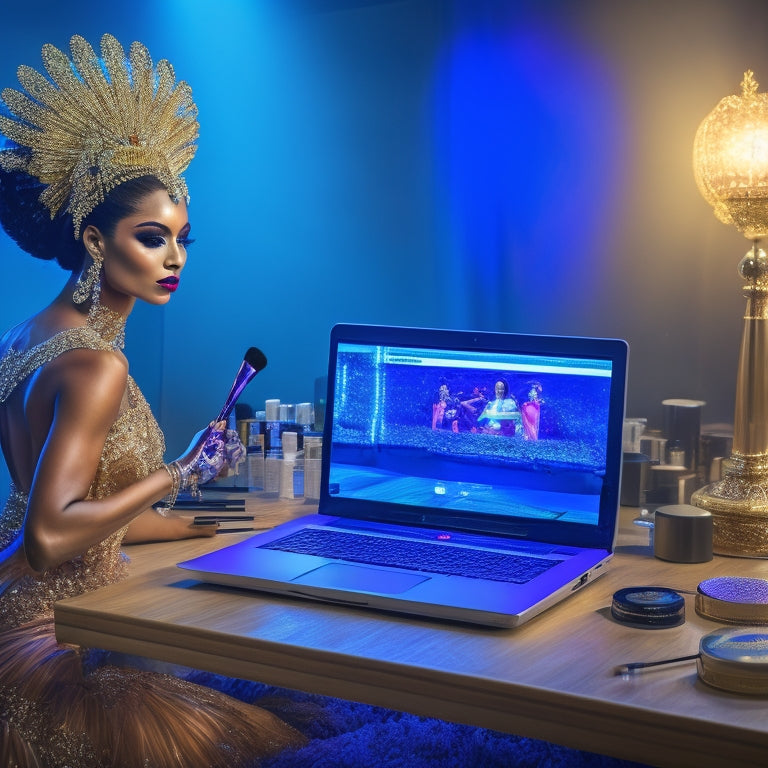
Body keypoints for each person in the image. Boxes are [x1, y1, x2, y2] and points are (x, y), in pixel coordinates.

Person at [0, 34, 304, 766]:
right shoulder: (95, 365)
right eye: (151, 238)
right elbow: (49, 536)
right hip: (61, 650)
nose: (175, 260)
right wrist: (179, 472)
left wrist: (198, 525)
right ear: (95, 240)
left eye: (182, 238)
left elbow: (73, 521)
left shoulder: (28, 335)